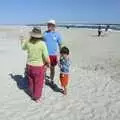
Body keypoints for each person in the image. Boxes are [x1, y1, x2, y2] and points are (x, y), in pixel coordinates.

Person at [21, 27, 50, 103]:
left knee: (31, 81)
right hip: (39, 67)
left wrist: (22, 40)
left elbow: (23, 48)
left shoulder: (28, 42)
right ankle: (36, 98)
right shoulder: (42, 43)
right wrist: (48, 63)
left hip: (29, 66)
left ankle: (33, 94)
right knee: (38, 82)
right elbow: (46, 56)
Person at [44, 19, 62, 84]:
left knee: (52, 68)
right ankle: (43, 79)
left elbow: (60, 44)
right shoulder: (45, 33)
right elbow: (41, 43)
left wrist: (61, 54)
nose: (48, 26)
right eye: (48, 24)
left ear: (54, 26)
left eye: (50, 25)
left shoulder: (57, 34)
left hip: (53, 55)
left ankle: (51, 80)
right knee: (44, 68)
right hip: (46, 54)